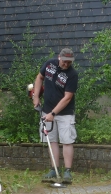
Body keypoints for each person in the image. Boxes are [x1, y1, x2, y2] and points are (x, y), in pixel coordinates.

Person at [32, 48, 79, 184]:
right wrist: (36, 96)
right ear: (59, 57)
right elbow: (39, 77)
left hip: (65, 113)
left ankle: (67, 171)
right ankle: (54, 169)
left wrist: (53, 113)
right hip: (47, 110)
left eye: (69, 62)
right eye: (64, 61)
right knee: (51, 140)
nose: (66, 64)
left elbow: (68, 97)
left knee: (67, 141)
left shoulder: (72, 74)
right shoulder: (49, 64)